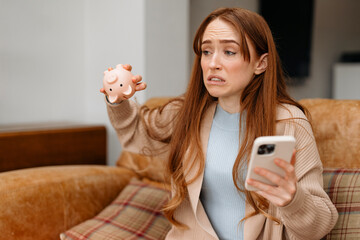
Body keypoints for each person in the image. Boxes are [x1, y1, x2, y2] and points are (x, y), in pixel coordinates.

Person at [101, 7, 338, 240]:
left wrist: (292, 200)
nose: (213, 63)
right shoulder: (187, 114)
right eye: (206, 51)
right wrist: (119, 100)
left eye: (229, 52)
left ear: (261, 63)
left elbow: (318, 228)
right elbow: (136, 133)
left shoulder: (289, 122)